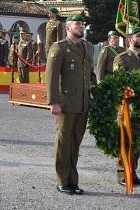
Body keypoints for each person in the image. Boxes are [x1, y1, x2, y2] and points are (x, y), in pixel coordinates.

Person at [45, 14, 96, 195]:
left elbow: (91, 75)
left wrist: (96, 95)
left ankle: (73, 180)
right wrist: (53, 101)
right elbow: (51, 76)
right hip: (66, 104)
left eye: (82, 24)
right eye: (77, 24)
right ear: (68, 27)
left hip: (83, 104)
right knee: (63, 142)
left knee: (76, 143)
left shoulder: (88, 47)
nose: (81, 27)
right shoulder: (59, 47)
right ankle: (62, 180)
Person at [113, 26, 140, 187]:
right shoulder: (122, 59)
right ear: (130, 39)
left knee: (138, 141)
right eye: (138, 36)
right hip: (128, 107)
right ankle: (122, 173)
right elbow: (119, 84)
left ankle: (133, 171)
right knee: (126, 140)